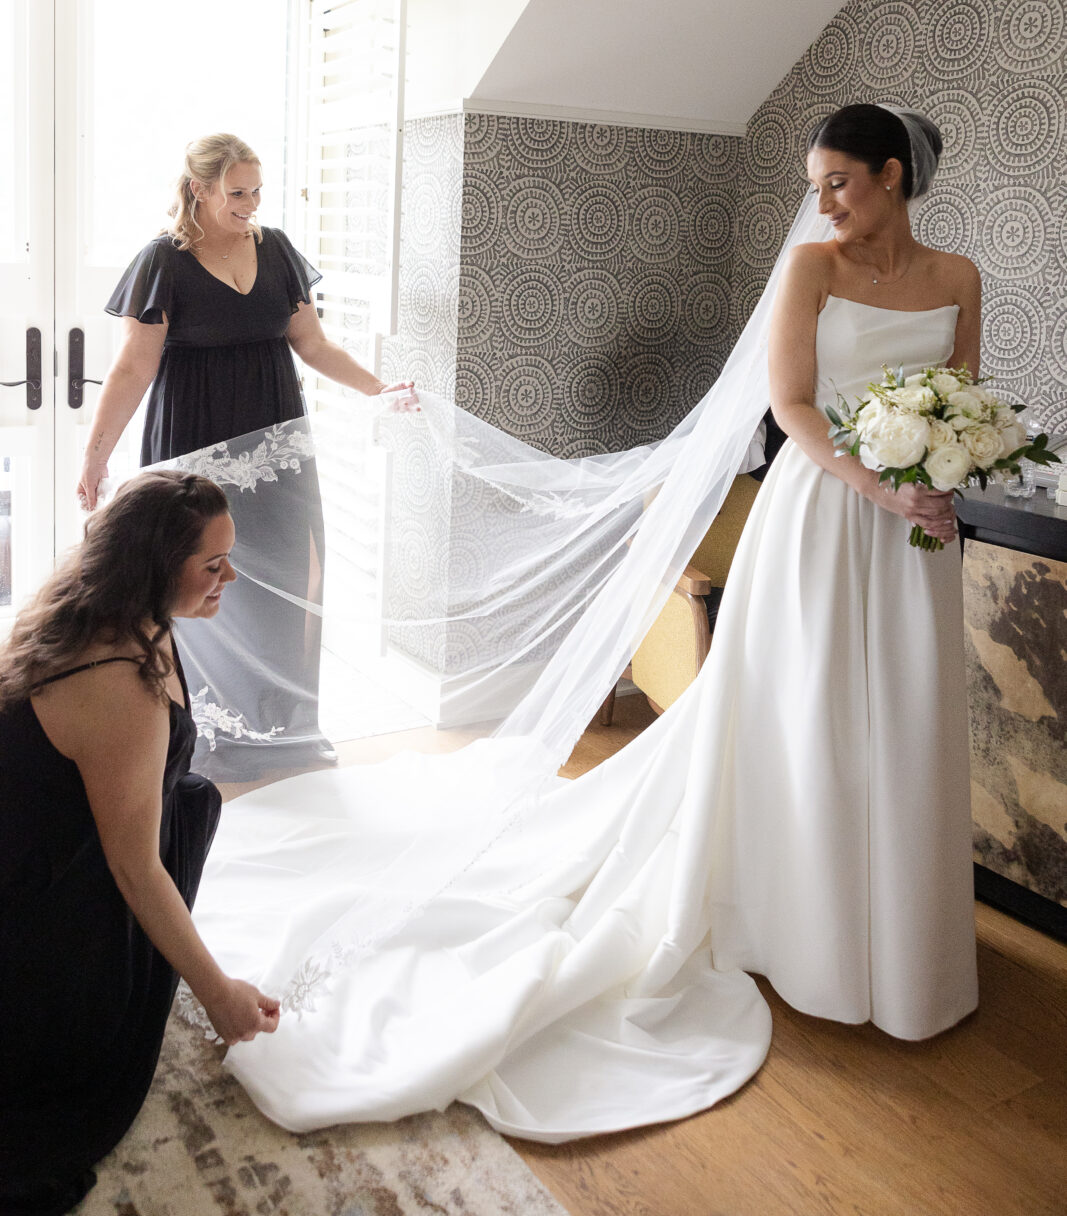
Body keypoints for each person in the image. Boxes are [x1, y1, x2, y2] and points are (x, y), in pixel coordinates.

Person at [188, 102, 981, 1140]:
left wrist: (939, 474)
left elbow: (960, 392)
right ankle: (806, 927)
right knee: (807, 710)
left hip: (915, 526)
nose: (819, 202)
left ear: (889, 174)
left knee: (912, 714)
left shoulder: (957, 276)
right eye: (812, 183)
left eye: (836, 181)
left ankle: (901, 935)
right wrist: (878, 487)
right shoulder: (810, 271)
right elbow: (790, 406)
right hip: (828, 514)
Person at [76, 133, 417, 777]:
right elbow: (132, 369)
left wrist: (378, 387)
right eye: (237, 193)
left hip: (277, 443)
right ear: (200, 190)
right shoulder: (163, 262)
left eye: (257, 190)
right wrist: (96, 459)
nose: (251, 204)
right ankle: (196, 731)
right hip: (194, 446)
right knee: (194, 579)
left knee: (291, 577)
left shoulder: (277, 249)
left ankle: (278, 725)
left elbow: (312, 345)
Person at [0, 471, 280, 1216]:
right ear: (155, 568)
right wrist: (217, 994)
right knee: (77, 1098)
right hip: (34, 910)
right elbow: (133, 865)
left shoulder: (94, 604)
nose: (231, 576)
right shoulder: (117, 680)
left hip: (37, 843)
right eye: (212, 565)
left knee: (189, 799)